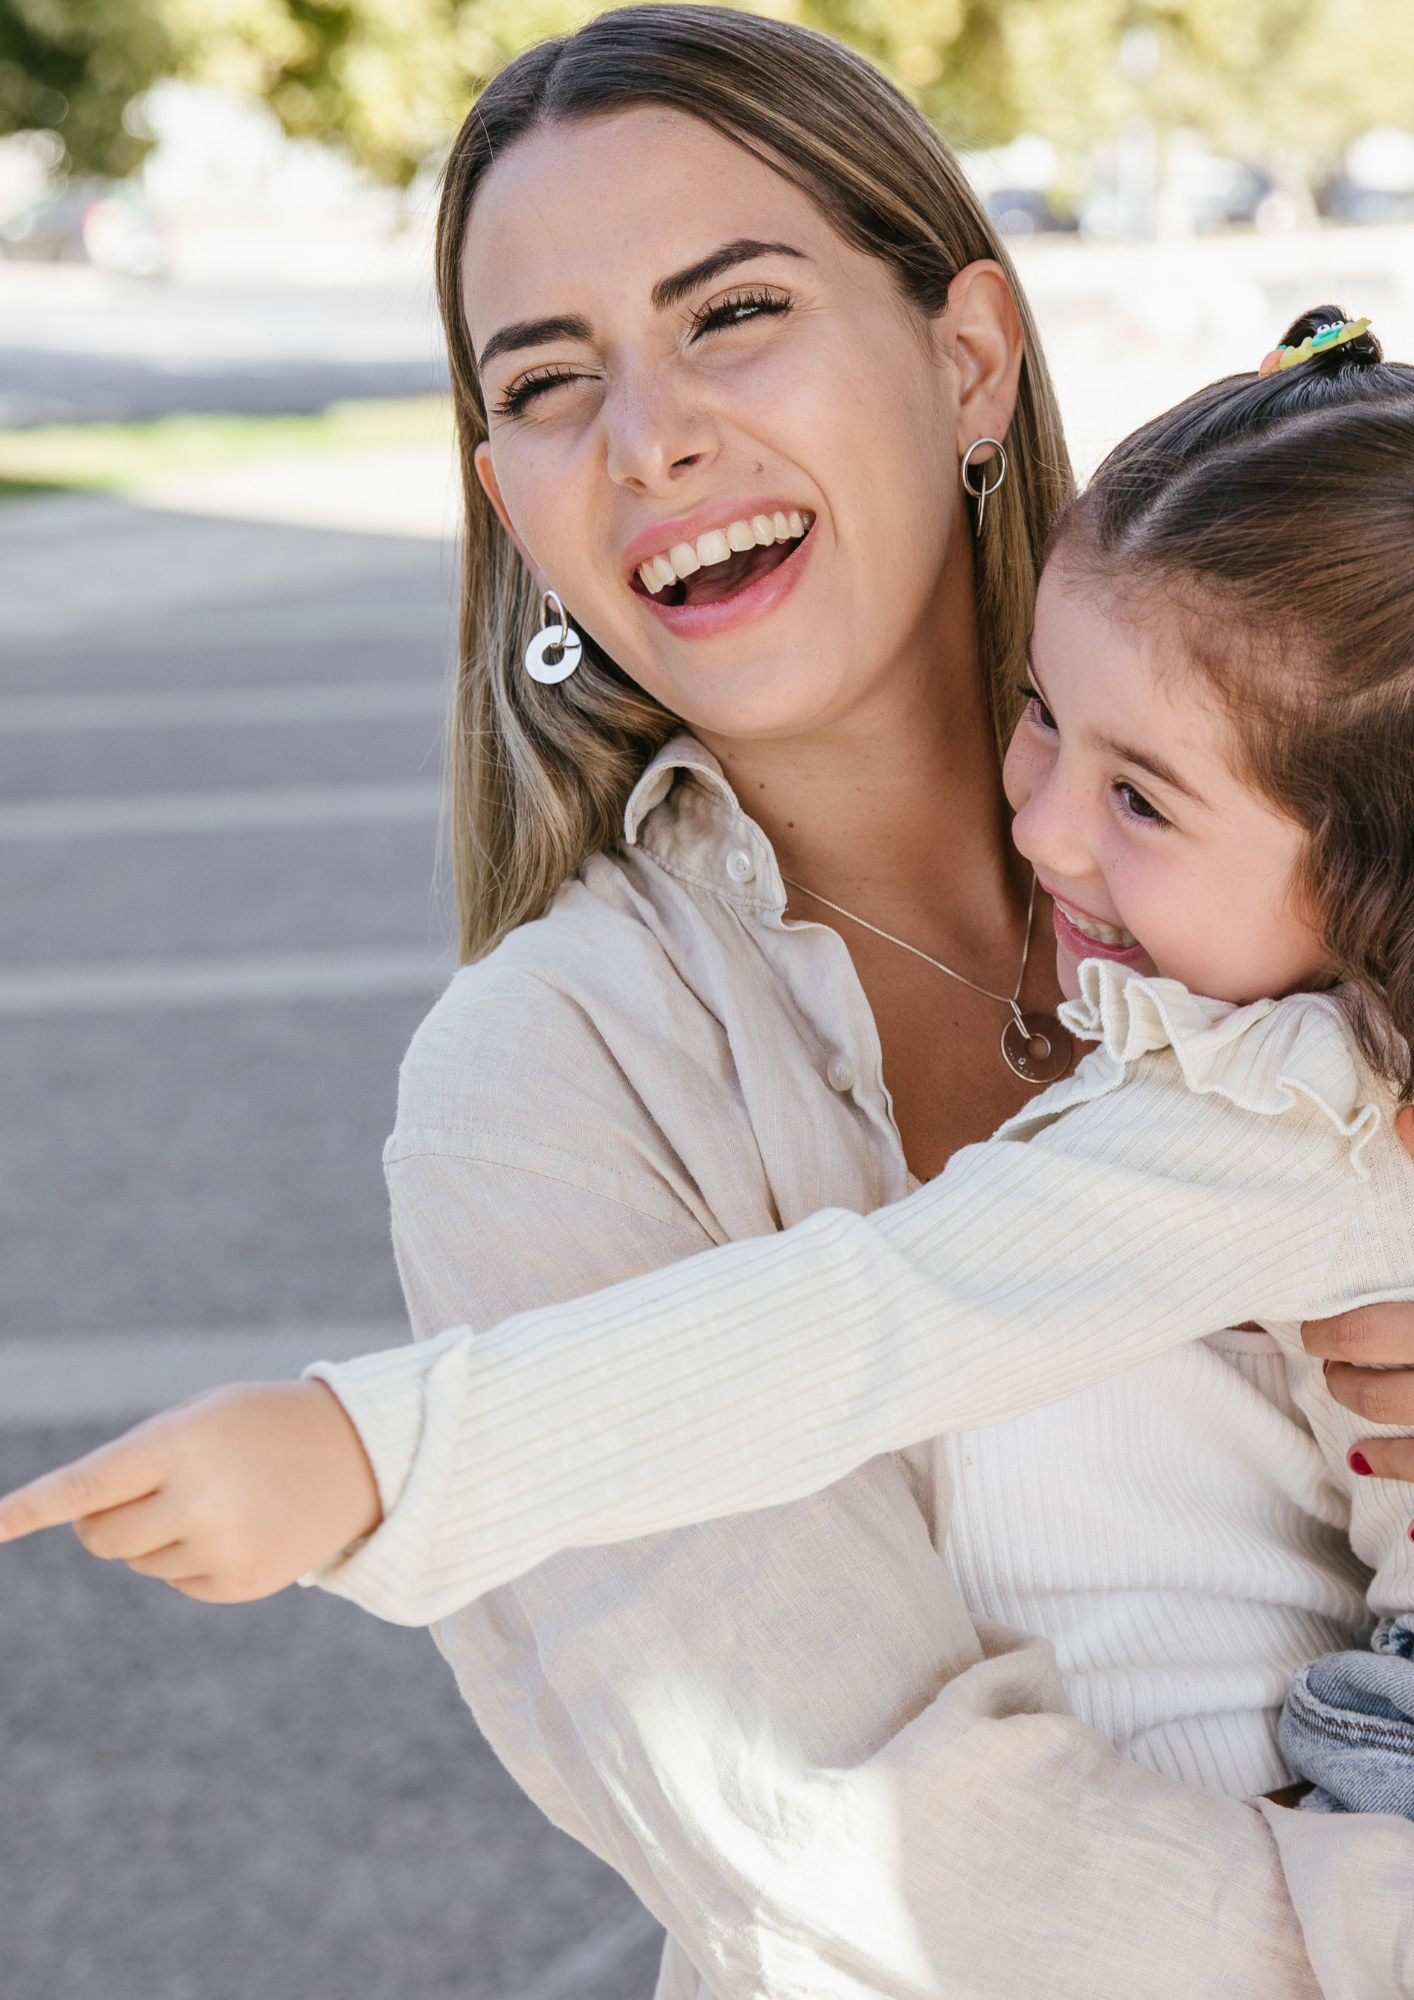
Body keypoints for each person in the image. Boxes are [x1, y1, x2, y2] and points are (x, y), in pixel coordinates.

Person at [7, 14, 1414, 1995]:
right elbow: (859, 1840)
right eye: (548, 379)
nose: (643, 438)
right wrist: (368, 1452)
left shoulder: (1322, 849)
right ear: (506, 495)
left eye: (728, 315)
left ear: (966, 360)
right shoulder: (543, 1081)